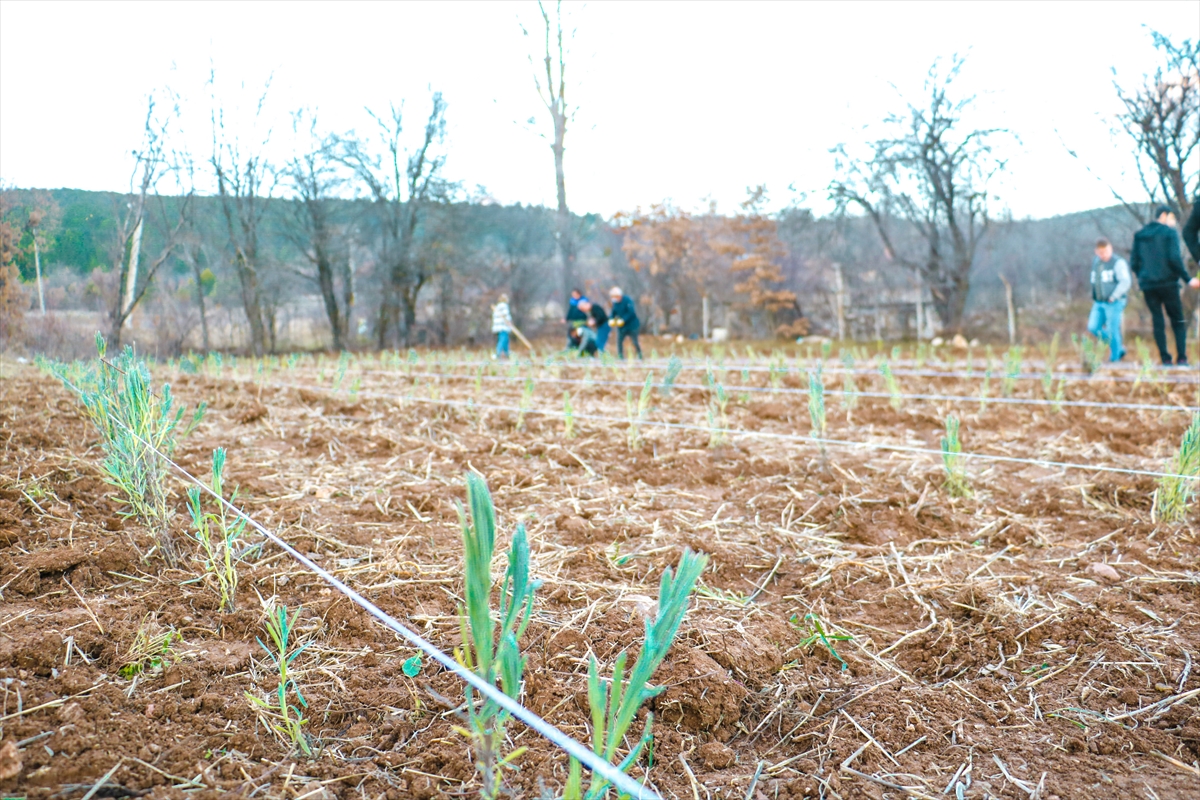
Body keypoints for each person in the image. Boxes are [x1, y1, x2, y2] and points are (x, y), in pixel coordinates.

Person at [1130, 204, 1200, 366]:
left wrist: (1143, 276)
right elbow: (1174, 259)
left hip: (1148, 285)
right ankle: (1182, 358)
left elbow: (1134, 262)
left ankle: (1165, 359)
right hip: (1168, 284)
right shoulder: (1169, 233)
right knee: (1178, 320)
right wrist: (1188, 279)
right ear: (1164, 215)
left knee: (1157, 320)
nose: (1174, 222)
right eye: (1173, 218)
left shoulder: (1140, 235)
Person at [1086, 238, 1131, 362]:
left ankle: (1115, 358)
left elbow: (1125, 282)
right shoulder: (1096, 262)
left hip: (1114, 302)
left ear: (1110, 249)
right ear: (1096, 252)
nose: (1103, 255)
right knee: (1093, 327)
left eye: (1106, 251)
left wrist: (1114, 296)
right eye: (1101, 252)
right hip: (1099, 302)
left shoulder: (1118, 262)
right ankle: (1118, 347)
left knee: (1112, 329)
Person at [608, 286, 643, 360]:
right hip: (622, 326)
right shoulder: (615, 303)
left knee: (634, 341)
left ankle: (639, 355)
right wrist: (611, 318)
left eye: (616, 296)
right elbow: (613, 312)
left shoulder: (628, 300)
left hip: (632, 325)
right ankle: (620, 356)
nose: (614, 298)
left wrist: (623, 319)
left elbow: (631, 312)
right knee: (619, 341)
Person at [491, 293, 512, 359]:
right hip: (503, 327)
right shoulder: (504, 305)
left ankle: (507, 353)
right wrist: (509, 322)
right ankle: (498, 354)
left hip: (497, 327)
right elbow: (506, 316)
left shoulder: (497, 306)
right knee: (503, 341)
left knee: (505, 341)